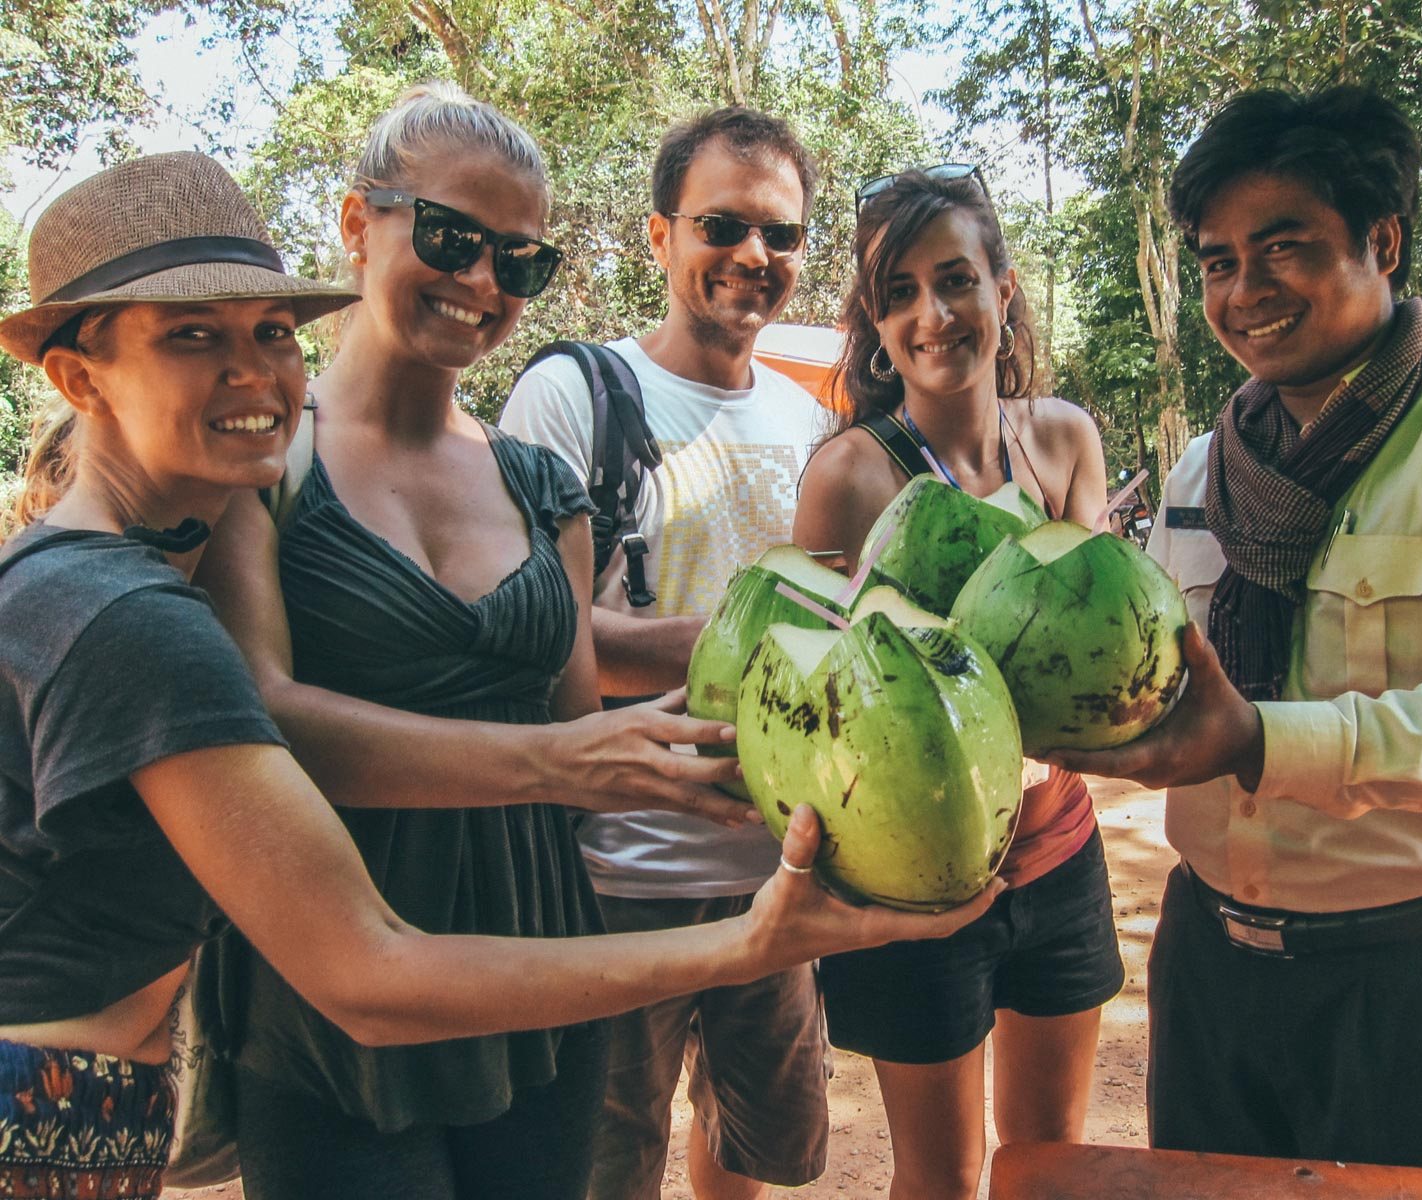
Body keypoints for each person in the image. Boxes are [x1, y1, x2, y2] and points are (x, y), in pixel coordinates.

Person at [0, 149, 993, 1200]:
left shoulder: (129, 562)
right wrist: (736, 939)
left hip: (163, 1082)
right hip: (68, 1097)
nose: (254, 374)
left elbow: (570, 709)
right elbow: (367, 966)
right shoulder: (136, 610)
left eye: (272, 334)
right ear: (77, 377)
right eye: (194, 337)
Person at [1045, 87, 1422, 1172]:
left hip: (1410, 980)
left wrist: (1259, 742)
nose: (1243, 291)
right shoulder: (1211, 464)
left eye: (1281, 248)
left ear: (1380, 242)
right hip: (1210, 966)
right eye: (1216, 261)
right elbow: (1153, 679)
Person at [501, 108, 830, 1200]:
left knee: (748, 1151)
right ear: (659, 236)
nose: (754, 256)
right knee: (601, 1167)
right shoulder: (574, 394)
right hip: (612, 879)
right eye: (722, 225)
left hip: (777, 875)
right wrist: (729, 638)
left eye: (781, 235)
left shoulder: (810, 426)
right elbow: (532, 636)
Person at [791, 166, 1123, 1200]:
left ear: (1003, 290)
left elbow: (1109, 643)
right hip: (915, 892)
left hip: (1060, 853)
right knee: (940, 1182)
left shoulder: (1063, 439)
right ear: (876, 326)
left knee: (1047, 1165)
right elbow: (813, 694)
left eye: (955, 281)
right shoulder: (848, 475)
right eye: (898, 294)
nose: (932, 316)